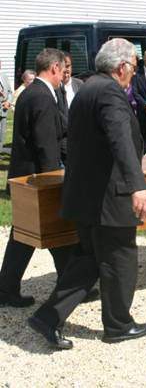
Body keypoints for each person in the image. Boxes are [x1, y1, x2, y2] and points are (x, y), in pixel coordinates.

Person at [28, 38, 146, 349]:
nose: (134, 75)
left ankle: (47, 317)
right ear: (122, 67)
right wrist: (138, 184)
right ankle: (119, 325)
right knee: (120, 259)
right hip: (109, 196)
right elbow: (120, 140)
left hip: (87, 195)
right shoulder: (110, 92)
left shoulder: (87, 89)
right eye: (134, 69)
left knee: (89, 260)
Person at [0, 49, 74, 308]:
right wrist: (54, 181)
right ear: (53, 67)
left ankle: (7, 289)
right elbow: (46, 146)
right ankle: (72, 286)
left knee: (26, 235)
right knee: (57, 233)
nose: (64, 74)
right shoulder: (42, 96)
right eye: (62, 69)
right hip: (36, 180)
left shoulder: (32, 92)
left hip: (25, 177)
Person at [57, 52, 85, 164]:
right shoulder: (54, 87)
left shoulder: (80, 84)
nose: (66, 70)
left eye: (68, 66)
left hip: (81, 136)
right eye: (63, 67)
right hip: (64, 139)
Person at [0, 61, 13, 151]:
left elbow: (10, 92)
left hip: (3, 111)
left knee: (1, 136)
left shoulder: (4, 76)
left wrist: (8, 101)